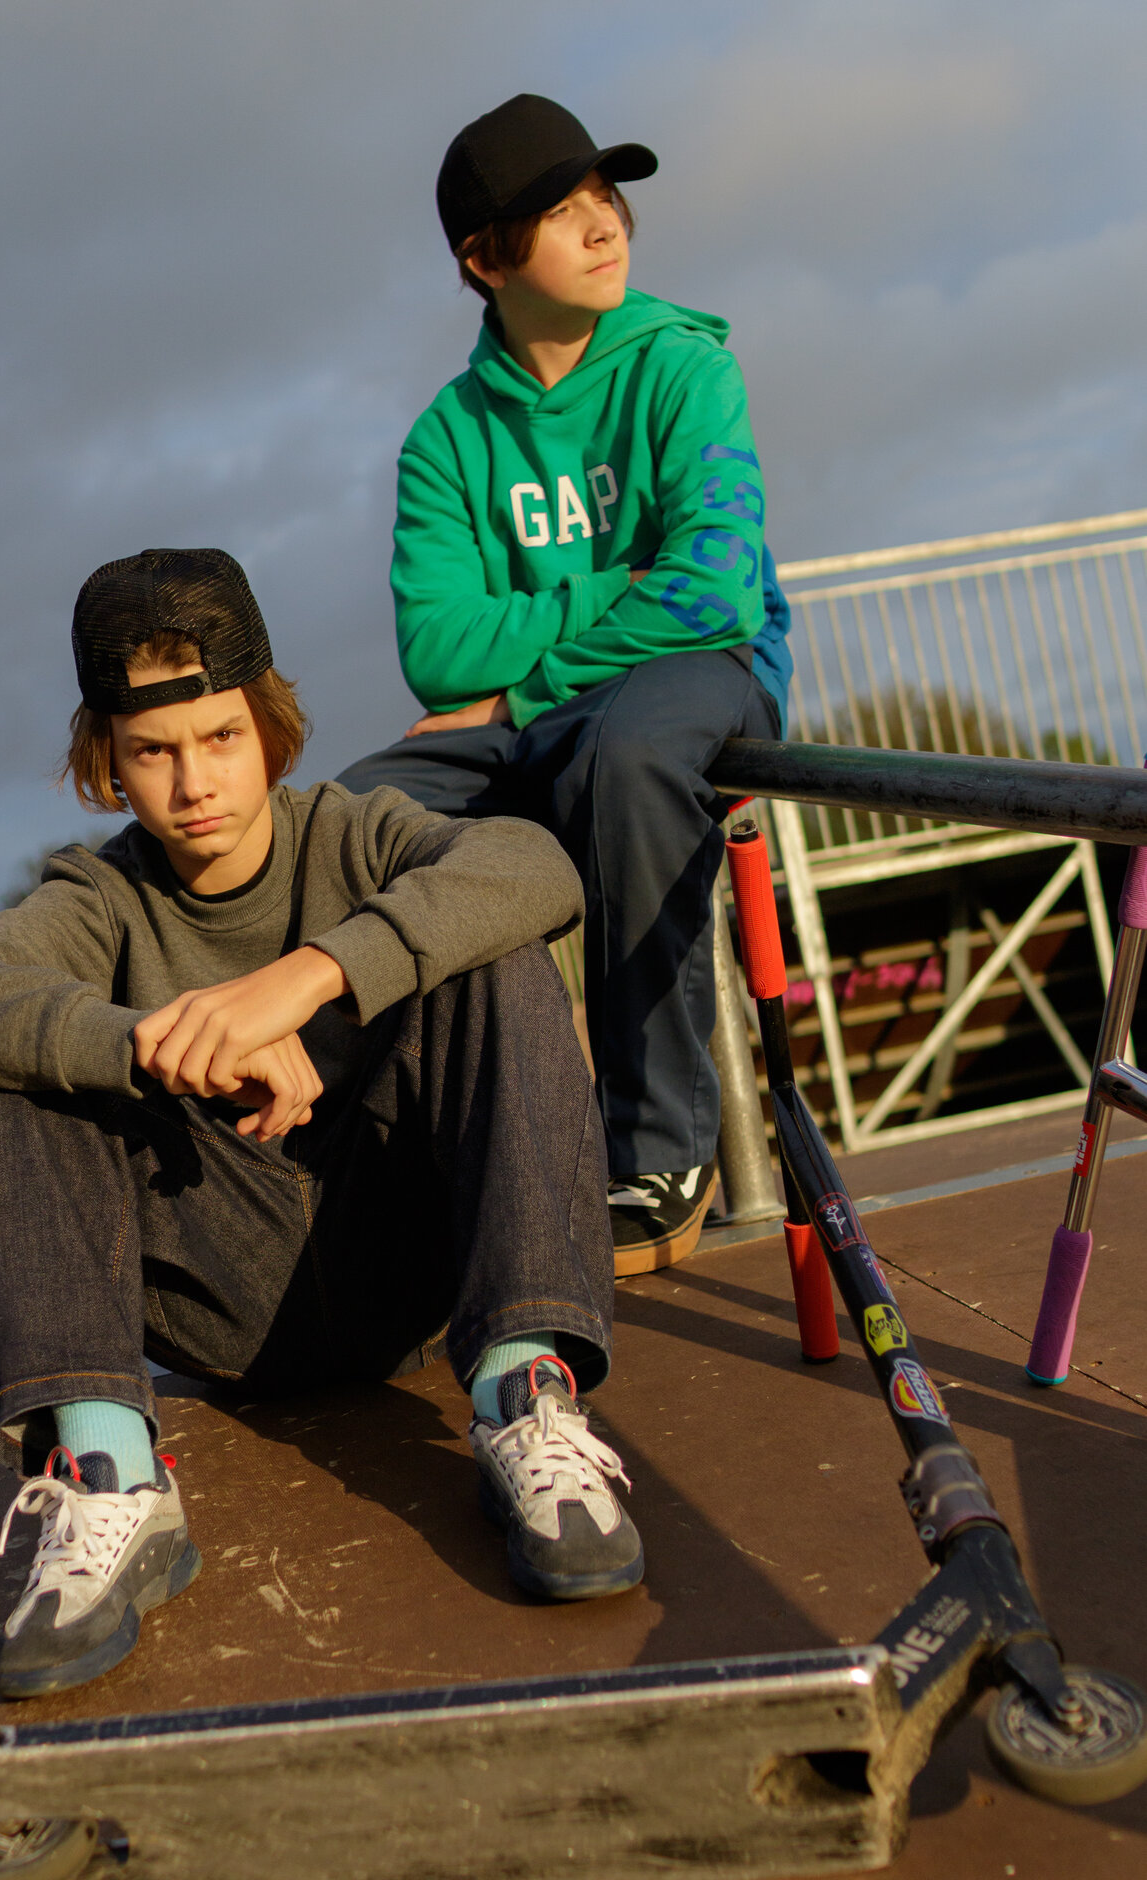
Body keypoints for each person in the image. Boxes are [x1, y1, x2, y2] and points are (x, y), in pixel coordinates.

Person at [0, 546, 644, 1700]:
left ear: (270, 727)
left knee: (493, 952)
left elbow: (533, 864)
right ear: (108, 761)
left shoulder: (353, 833)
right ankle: (109, 1474)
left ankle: (524, 1395)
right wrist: (156, 1045)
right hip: (217, 1289)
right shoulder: (97, 900)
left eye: (221, 736)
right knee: (10, 1055)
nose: (196, 782)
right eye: (154, 751)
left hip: (404, 1256)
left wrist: (305, 979)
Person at [339, 93, 795, 1279]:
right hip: (552, 708)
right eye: (559, 210)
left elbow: (710, 592)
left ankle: (658, 1150)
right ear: (485, 260)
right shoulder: (447, 439)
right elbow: (439, 650)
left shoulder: (685, 367)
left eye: (606, 196)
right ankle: (451, 1163)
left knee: (626, 756)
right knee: (360, 815)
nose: (603, 225)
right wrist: (609, 592)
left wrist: (523, 685)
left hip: (700, 676)